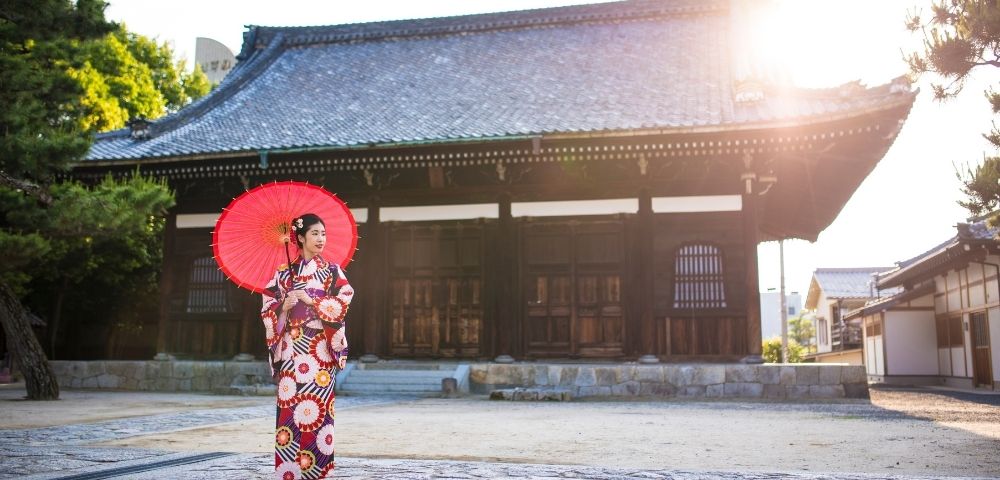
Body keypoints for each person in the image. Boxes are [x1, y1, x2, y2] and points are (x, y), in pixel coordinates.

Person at [261, 213, 353, 480]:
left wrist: (312, 299)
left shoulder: (332, 271)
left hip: (319, 347)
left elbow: (345, 298)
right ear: (299, 238)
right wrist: (283, 307)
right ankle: (288, 471)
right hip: (291, 346)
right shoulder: (282, 274)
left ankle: (317, 471)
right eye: (314, 234)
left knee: (317, 408)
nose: (321, 239)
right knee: (290, 406)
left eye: (323, 234)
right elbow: (267, 305)